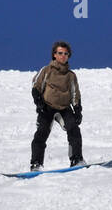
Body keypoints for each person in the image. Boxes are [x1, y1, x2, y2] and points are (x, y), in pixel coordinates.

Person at [30, 40, 84, 170]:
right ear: (54, 54)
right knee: (41, 134)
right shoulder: (46, 70)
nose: (63, 56)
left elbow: (75, 94)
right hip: (47, 108)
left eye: (66, 53)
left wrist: (77, 110)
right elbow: (36, 87)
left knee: (74, 130)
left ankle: (76, 160)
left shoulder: (71, 76)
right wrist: (39, 103)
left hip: (64, 109)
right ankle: (36, 164)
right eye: (60, 53)